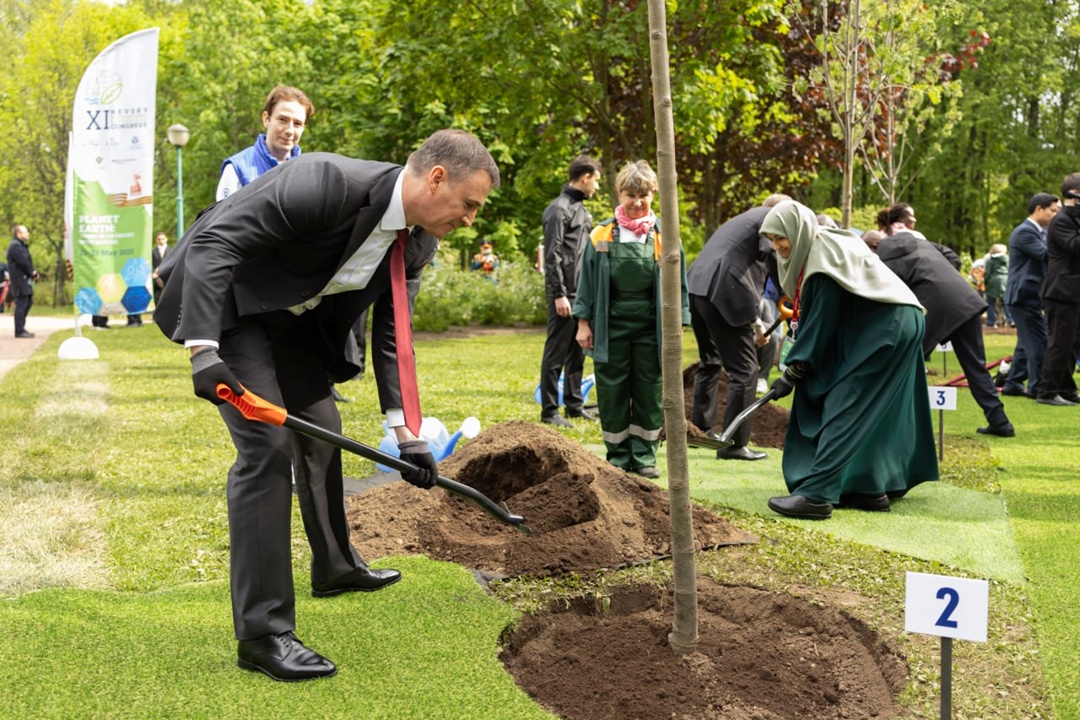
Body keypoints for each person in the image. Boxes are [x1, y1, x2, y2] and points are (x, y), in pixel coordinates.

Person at [154, 129, 500, 682]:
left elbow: (394, 333)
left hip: (292, 325)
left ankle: (335, 566)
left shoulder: (418, 241)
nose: (470, 220)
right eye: (469, 205)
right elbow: (215, 241)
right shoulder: (324, 182)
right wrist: (203, 351)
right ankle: (264, 634)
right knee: (266, 450)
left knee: (321, 429)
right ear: (437, 178)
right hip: (232, 310)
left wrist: (407, 433)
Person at [759, 201, 938, 519]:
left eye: (780, 237)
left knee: (847, 402)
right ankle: (868, 488)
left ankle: (816, 496)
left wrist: (793, 370)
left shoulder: (821, 260)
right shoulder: (822, 245)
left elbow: (820, 324)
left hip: (889, 324)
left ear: (797, 230)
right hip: (896, 320)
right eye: (772, 240)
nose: (777, 246)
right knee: (873, 410)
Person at [573, 160, 689, 479]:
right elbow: (586, 283)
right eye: (630, 195)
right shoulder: (601, 234)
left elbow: (679, 285)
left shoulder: (666, 236)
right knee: (612, 391)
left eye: (644, 196)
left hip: (652, 328)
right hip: (610, 326)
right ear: (619, 193)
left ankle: (644, 455)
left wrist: (677, 324)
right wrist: (583, 324)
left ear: (653, 194)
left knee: (649, 388)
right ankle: (618, 454)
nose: (637, 203)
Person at [873, 213, 1014, 437]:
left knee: (907, 363)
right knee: (975, 366)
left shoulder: (881, 261)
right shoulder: (920, 242)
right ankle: (1000, 421)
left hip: (936, 310)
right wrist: (944, 277)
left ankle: (895, 425)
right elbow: (952, 256)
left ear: (872, 248)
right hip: (965, 300)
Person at [686, 193, 790, 461]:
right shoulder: (769, 219)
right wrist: (788, 291)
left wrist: (756, 325)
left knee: (710, 360)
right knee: (745, 370)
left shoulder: (744, 219)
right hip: (724, 290)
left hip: (696, 286)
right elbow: (772, 260)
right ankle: (734, 444)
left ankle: (698, 431)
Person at [539, 154, 603, 427]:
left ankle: (574, 405)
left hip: (582, 293)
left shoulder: (582, 210)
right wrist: (559, 294)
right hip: (564, 294)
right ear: (585, 177)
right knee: (556, 353)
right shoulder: (558, 209)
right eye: (596, 181)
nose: (597, 188)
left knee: (578, 350)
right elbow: (551, 254)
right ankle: (550, 411)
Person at [1002, 192, 1060, 398]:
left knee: (1025, 343)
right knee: (1038, 342)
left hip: (1029, 295)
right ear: (1038, 209)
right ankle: (1036, 387)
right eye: (1053, 211)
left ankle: (1013, 382)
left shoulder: (1038, 232)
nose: (1056, 215)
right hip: (1023, 296)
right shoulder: (1025, 232)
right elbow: (1046, 255)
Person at [216, 85, 314, 202]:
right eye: (282, 120)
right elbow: (223, 219)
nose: (289, 130)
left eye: (297, 123)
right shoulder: (237, 169)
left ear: (303, 128)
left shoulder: (308, 173)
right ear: (266, 119)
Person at [1036, 176, 1080, 406]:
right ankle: (1047, 391)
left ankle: (1066, 388)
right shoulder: (1062, 220)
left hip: (1073, 292)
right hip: (1061, 291)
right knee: (1060, 342)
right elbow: (1075, 247)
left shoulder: (1073, 218)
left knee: (1073, 343)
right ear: (1074, 194)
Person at [6, 224, 40, 338]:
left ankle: (21, 327)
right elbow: (23, 262)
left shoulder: (21, 245)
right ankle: (19, 331)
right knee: (21, 303)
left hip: (24, 279)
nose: (28, 233)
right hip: (19, 279)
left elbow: (27, 261)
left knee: (28, 302)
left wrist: (32, 272)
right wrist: (32, 273)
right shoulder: (16, 246)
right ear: (18, 234)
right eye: (25, 232)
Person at [984, 243, 1010, 327]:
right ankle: (1011, 320)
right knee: (1006, 302)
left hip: (993, 281)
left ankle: (991, 322)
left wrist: (985, 282)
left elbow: (988, 272)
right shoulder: (1007, 259)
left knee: (990, 302)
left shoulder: (991, 260)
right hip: (1005, 280)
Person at [151, 231, 169, 306]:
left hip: (168, 275)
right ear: (156, 240)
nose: (161, 240)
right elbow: (151, 263)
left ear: (166, 239)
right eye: (159, 239)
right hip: (156, 276)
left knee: (168, 294)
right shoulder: (153, 252)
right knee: (157, 295)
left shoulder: (172, 251)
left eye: (162, 239)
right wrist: (153, 273)